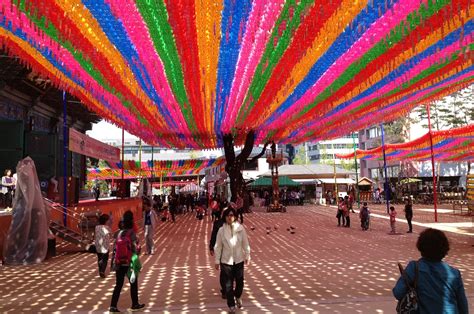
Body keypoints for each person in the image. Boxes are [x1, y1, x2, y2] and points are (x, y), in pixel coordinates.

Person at [393, 228, 468, 313]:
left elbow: (398, 292)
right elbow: (462, 305)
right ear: (445, 249)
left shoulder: (414, 268)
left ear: (421, 247)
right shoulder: (454, 273)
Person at [214, 208, 251, 313]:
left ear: (235, 216)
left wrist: (247, 256)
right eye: (227, 215)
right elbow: (218, 246)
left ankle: (238, 296)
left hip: (238, 260)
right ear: (225, 217)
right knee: (228, 285)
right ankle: (231, 304)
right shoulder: (221, 230)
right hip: (226, 261)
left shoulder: (240, 228)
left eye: (231, 215)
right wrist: (217, 261)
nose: (230, 217)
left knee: (240, 283)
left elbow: (245, 243)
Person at [109, 211, 145, 313]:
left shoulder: (118, 233)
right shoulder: (132, 233)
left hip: (119, 263)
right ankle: (135, 304)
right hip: (129, 263)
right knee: (133, 283)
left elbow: (115, 248)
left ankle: (113, 306)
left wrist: (114, 263)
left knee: (118, 285)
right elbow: (135, 249)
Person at [209, 209, 226, 299]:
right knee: (224, 270)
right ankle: (225, 290)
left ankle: (227, 288)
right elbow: (214, 235)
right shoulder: (218, 224)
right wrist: (211, 247)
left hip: (233, 251)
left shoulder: (235, 224)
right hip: (222, 250)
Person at [95, 214, 112, 278]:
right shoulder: (107, 227)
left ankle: (100, 270)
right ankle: (102, 271)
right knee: (105, 259)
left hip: (98, 245)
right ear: (105, 221)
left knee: (99, 258)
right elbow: (111, 234)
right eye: (108, 220)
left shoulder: (96, 227)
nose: (109, 221)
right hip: (105, 246)